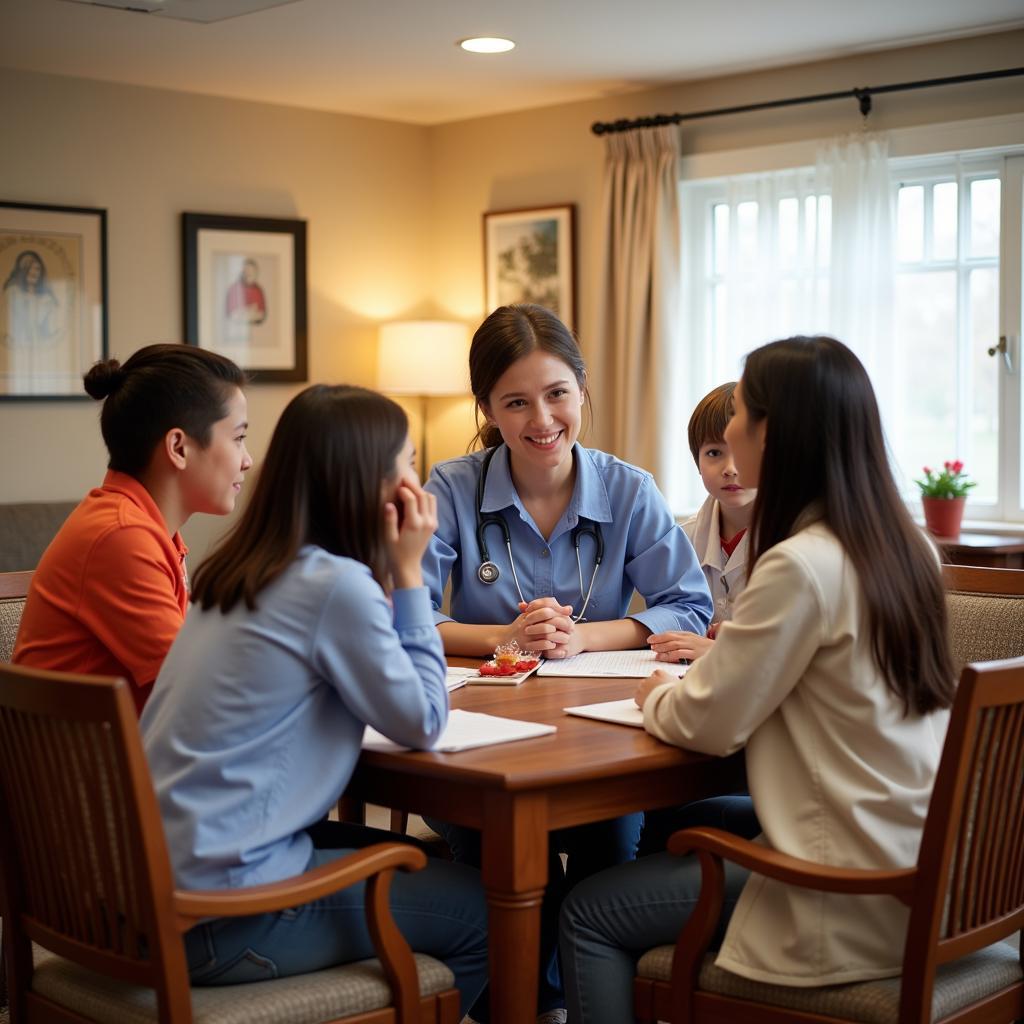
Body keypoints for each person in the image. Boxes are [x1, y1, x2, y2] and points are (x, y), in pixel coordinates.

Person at [560, 335, 956, 1023]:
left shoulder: (801, 564)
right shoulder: (908, 545)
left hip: (847, 887)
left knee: (585, 912)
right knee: (691, 816)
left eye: (741, 412)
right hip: (927, 855)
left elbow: (706, 724)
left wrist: (658, 693)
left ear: (774, 434)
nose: (730, 428)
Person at [140, 384, 489, 1013]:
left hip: (152, 894)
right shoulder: (334, 587)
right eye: (406, 463)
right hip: (222, 918)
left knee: (414, 859)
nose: (418, 482)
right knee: (487, 911)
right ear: (368, 485)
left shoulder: (235, 574)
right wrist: (409, 574)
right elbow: (424, 721)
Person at [421, 303, 712, 1024]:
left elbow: (689, 605)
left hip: (600, 732)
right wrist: (503, 639)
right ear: (486, 408)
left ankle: (561, 1000)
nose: (540, 419)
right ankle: (536, 1003)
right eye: (515, 401)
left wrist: (591, 637)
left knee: (606, 851)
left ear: (582, 389)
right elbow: (405, 616)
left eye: (556, 394)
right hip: (481, 733)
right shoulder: (453, 487)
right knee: (493, 857)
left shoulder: (627, 489)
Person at [13, 343, 252, 714]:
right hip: (86, 769)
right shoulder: (121, 536)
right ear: (178, 447)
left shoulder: (149, 529)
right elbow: (201, 689)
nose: (247, 460)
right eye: (238, 438)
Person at [639, 381, 759, 856]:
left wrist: (724, 653)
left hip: (749, 743)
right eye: (713, 453)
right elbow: (659, 620)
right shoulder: (677, 539)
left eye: (741, 451)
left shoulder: (796, 549)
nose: (730, 468)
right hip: (690, 720)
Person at [225, 258, 267, 325]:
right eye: (246, 271)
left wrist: (246, 313)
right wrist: (247, 311)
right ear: (242, 272)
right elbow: (231, 315)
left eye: (251, 271)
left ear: (256, 273)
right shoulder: (234, 289)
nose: (249, 274)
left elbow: (262, 315)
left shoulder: (258, 290)